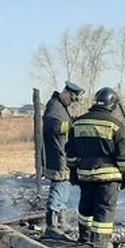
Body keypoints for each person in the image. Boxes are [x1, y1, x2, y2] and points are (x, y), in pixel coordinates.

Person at [66, 87, 125, 248]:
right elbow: (123, 155)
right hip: (109, 177)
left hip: (85, 175)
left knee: (86, 206)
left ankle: (84, 238)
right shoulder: (115, 125)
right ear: (112, 105)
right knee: (104, 208)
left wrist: (73, 172)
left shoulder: (78, 123)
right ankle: (100, 243)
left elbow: (70, 153)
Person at [42, 80, 84, 236]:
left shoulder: (61, 107)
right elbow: (52, 127)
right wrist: (73, 125)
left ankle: (61, 221)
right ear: (65, 92)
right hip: (57, 155)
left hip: (63, 154)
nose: (72, 103)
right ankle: (51, 226)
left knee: (64, 188)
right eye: (72, 99)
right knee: (58, 188)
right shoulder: (54, 106)